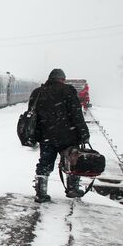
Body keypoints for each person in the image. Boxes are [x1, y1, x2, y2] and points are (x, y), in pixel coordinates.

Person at [28, 68, 90, 203]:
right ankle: (72, 189)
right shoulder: (68, 91)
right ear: (62, 79)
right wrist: (84, 132)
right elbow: (77, 115)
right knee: (72, 161)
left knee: (44, 163)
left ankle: (40, 192)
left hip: (46, 136)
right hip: (68, 136)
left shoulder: (38, 93)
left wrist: (37, 133)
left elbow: (32, 115)